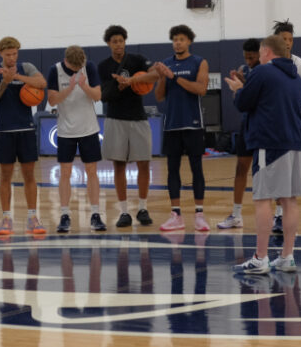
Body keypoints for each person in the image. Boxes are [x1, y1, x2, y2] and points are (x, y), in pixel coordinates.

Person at [224, 35, 301, 274]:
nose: (258, 57)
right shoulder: (296, 76)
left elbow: (243, 104)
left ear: (267, 52)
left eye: (260, 53)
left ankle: (260, 258)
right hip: (295, 143)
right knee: (289, 200)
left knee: (262, 199)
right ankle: (287, 256)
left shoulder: (262, 72)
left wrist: (238, 89)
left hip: (269, 144)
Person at [0, 36, 48, 235]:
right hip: (4, 130)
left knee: (29, 175)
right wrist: (5, 82)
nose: (12, 57)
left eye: (15, 53)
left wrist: (17, 77)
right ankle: (6, 218)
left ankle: (32, 217)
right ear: (1, 53)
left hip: (26, 129)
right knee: (5, 176)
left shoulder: (26, 66)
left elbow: (42, 83)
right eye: (8, 54)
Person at [98, 25, 157, 228]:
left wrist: (132, 80)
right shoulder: (103, 66)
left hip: (138, 117)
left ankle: (142, 208)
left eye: (121, 41)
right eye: (114, 41)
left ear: (125, 42)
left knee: (144, 163)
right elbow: (104, 95)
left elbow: (155, 75)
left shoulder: (138, 60)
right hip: (115, 118)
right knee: (118, 165)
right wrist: (118, 86)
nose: (118, 44)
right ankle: (124, 212)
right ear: (108, 44)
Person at [153, 25, 210, 232]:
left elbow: (201, 89)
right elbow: (159, 96)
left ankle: (200, 215)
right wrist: (162, 77)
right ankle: (176, 215)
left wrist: (174, 77)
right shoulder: (166, 64)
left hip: (193, 122)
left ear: (189, 42)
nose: (178, 42)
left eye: (182, 39)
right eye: (175, 39)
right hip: (172, 124)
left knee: (197, 168)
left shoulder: (199, 62)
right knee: (172, 169)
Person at [47, 45, 106, 233]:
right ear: (66, 61)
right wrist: (70, 88)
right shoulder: (54, 70)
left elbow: (97, 96)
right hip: (65, 131)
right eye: (74, 67)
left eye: (79, 66)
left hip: (89, 128)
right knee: (65, 173)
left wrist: (83, 85)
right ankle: (64, 214)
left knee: (92, 171)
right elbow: (52, 100)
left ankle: (96, 214)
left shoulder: (89, 67)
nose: (77, 69)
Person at [271, 19, 301, 234]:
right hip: (272, 124)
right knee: (276, 171)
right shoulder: (267, 64)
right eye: (283, 39)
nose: (287, 42)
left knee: (289, 174)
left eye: (290, 39)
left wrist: (288, 102)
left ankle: (283, 216)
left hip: (294, 122)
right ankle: (278, 215)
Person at [218, 38, 261, 230]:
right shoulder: (246, 69)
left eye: (251, 57)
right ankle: (236, 214)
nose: (248, 60)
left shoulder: (266, 71)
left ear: (260, 54)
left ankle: (276, 215)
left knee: (266, 173)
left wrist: (241, 88)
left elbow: (256, 97)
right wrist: (242, 81)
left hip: (263, 127)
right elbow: (246, 97)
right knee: (240, 169)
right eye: (246, 57)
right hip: (247, 124)